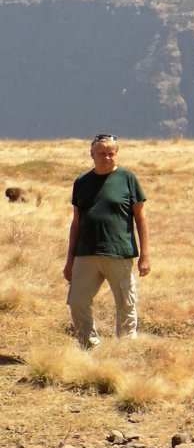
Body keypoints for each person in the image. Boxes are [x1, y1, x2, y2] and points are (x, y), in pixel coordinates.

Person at [63, 134, 150, 348]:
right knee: (77, 301)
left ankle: (125, 348)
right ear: (92, 155)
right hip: (86, 253)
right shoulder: (82, 182)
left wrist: (145, 256)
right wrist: (69, 260)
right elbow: (76, 222)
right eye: (102, 153)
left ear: (116, 155)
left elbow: (140, 217)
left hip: (119, 252)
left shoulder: (127, 178)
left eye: (111, 153)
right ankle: (89, 345)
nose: (107, 157)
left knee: (125, 303)